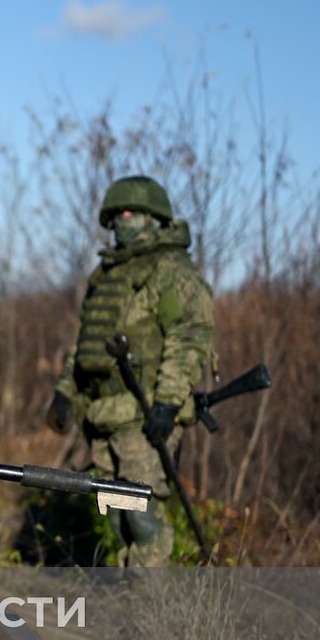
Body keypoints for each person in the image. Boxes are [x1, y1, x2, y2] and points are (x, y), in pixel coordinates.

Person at [46, 175, 215, 567]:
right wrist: (65, 392)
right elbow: (87, 343)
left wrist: (168, 404)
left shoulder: (168, 272)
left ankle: (154, 608)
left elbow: (188, 336)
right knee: (119, 515)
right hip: (106, 415)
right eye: (117, 213)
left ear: (155, 218)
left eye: (132, 212)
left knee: (141, 514)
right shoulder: (107, 276)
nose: (123, 219)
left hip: (145, 415)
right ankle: (132, 594)